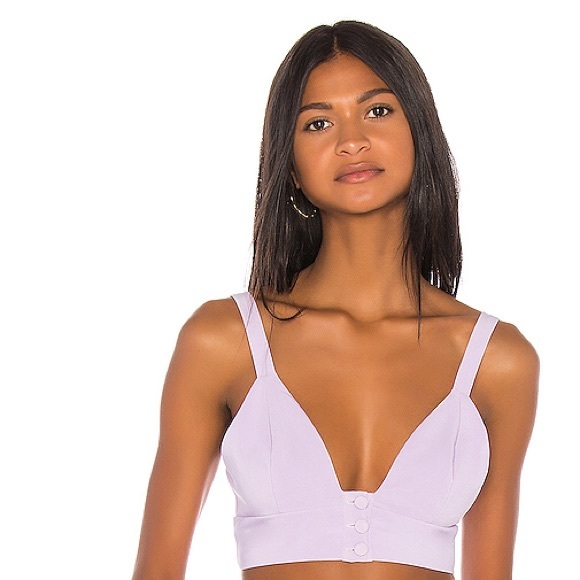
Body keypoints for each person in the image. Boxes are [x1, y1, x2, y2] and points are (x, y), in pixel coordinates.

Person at [131, 21, 539, 580]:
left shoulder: (498, 361)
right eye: (318, 123)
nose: (352, 140)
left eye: (377, 111)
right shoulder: (224, 340)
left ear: (420, 133)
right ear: (291, 168)